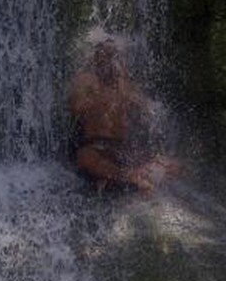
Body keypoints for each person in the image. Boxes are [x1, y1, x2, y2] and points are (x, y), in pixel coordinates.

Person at [69, 40, 181, 193]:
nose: (107, 61)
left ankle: (132, 177)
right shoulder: (86, 80)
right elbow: (76, 108)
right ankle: (129, 178)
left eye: (111, 57)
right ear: (96, 60)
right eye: (103, 57)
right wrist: (94, 98)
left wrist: (142, 104)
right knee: (86, 157)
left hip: (122, 149)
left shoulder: (124, 83)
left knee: (176, 165)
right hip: (96, 147)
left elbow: (146, 108)